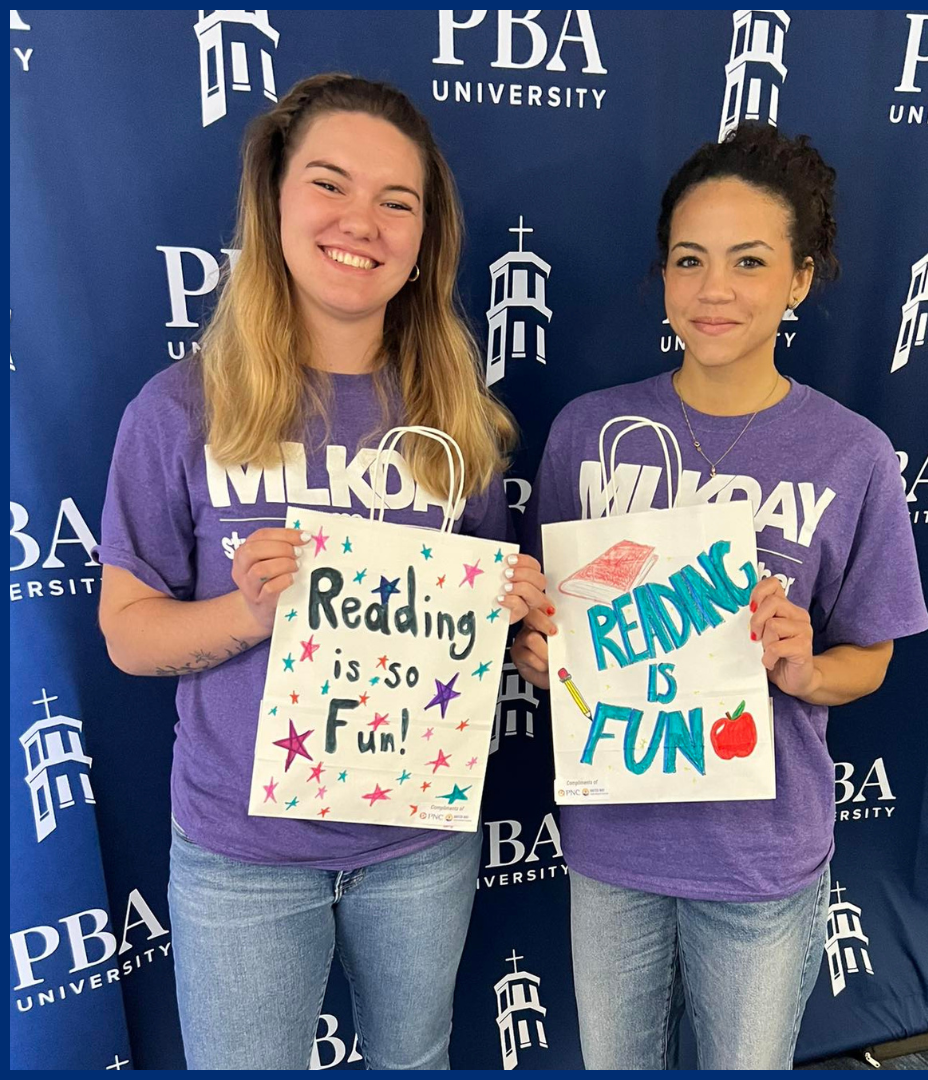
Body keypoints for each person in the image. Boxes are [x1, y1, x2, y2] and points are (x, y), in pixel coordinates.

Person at [96, 73, 550, 1071]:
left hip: (421, 841)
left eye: (398, 201)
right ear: (273, 201)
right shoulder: (180, 409)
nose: (362, 223)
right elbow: (127, 631)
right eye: (330, 184)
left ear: (426, 237)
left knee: (414, 1062)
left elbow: (483, 629)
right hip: (243, 851)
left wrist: (515, 612)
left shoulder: (457, 416)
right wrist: (247, 613)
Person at [512, 124, 928, 1070]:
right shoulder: (587, 431)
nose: (713, 290)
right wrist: (538, 655)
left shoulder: (852, 453)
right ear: (663, 274)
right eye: (689, 259)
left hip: (761, 861)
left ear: (800, 279)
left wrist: (805, 670)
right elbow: (554, 635)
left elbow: (870, 659)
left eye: (750, 262)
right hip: (611, 847)